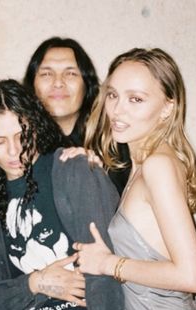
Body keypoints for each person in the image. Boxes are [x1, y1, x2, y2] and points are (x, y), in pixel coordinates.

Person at [72, 48, 196, 310]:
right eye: (113, 94)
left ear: (167, 107)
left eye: (136, 99)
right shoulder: (144, 163)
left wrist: (107, 264)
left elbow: (192, 277)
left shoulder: (158, 165)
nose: (117, 109)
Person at [0, 79, 125, 310]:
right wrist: (35, 283)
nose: (14, 151)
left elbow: (107, 286)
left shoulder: (73, 168)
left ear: (36, 125)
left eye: (22, 135)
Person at [23, 36, 131, 195]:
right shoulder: (18, 146)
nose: (58, 83)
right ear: (32, 84)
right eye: (46, 74)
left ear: (87, 85)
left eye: (70, 73)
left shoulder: (114, 143)